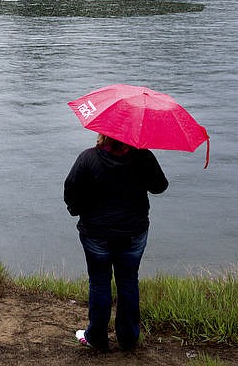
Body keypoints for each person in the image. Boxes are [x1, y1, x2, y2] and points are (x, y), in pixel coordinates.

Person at [64, 134, 168, 352]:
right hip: (133, 232)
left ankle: (97, 338)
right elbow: (160, 186)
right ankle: (128, 339)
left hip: (96, 233)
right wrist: (144, 161)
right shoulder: (143, 157)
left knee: (99, 283)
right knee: (128, 281)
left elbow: (70, 190)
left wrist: (78, 211)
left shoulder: (88, 158)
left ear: (102, 132)